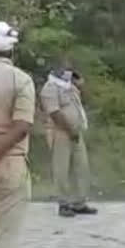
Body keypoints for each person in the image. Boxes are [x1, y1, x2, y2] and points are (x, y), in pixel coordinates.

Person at [0, 21, 48, 248]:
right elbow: (22, 126)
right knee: (8, 238)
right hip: (10, 164)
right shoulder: (20, 79)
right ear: (10, 47)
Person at [40, 62, 96, 218]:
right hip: (60, 133)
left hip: (76, 133)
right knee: (62, 169)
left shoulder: (69, 87)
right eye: (65, 70)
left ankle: (79, 203)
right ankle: (63, 204)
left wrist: (80, 81)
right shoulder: (50, 88)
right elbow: (55, 113)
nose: (68, 73)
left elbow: (84, 100)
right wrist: (70, 130)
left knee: (81, 167)